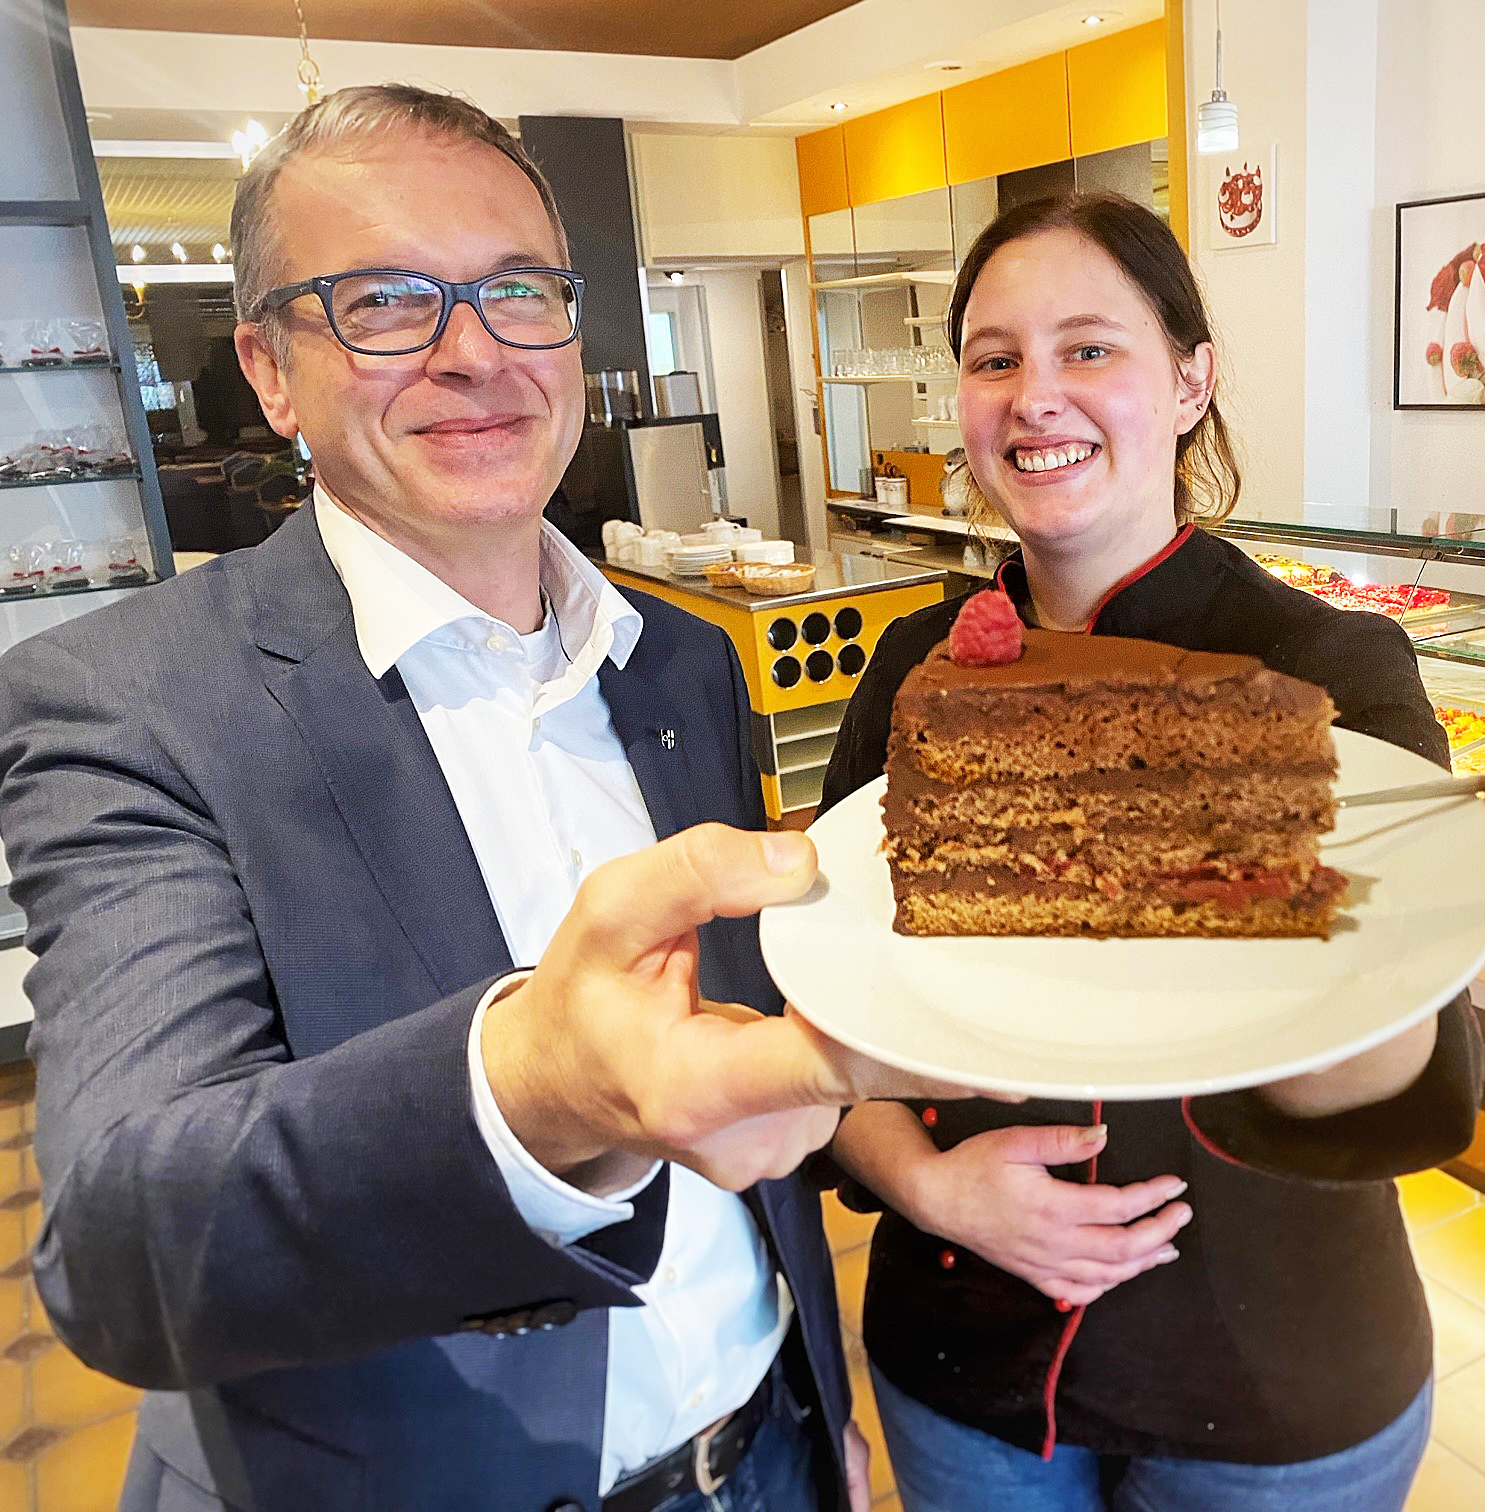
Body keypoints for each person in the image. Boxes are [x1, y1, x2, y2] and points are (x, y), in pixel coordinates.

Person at [0, 84, 941, 1512]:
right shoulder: (129, 703)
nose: (474, 354)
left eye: (516, 291)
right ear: (267, 367)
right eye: (384, 300)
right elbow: (127, 1249)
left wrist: (810, 1402)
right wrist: (534, 1091)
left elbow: (736, 1106)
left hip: (769, 1459)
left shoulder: (681, 662)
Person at [820, 192, 1485, 1512]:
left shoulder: (1327, 675)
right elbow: (827, 1014)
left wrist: (1416, 925)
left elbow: (1387, 1093)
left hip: (1273, 1378)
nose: (1037, 396)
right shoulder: (909, 677)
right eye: (996, 358)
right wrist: (927, 1186)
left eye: (1090, 348)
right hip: (963, 1356)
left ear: (1191, 380)